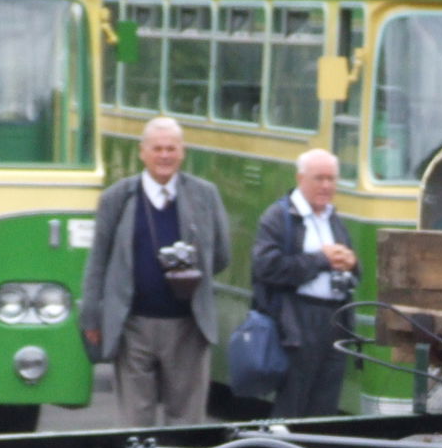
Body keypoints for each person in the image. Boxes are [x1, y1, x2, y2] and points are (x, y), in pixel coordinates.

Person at [80, 116, 231, 426]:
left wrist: (191, 279)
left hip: (188, 325)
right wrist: (91, 316)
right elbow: (98, 261)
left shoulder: (205, 195)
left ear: (182, 152)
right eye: (158, 148)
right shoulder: (117, 198)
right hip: (133, 324)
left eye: (171, 149)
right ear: (142, 152)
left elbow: (222, 254)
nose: (165, 156)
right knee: (136, 419)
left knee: (186, 420)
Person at [250, 148, 360, 418]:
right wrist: (320, 260)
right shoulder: (279, 217)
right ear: (301, 179)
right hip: (296, 321)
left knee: (325, 406)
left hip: (335, 321)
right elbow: (266, 267)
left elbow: (355, 273)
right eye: (319, 178)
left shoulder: (333, 219)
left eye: (332, 179)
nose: (326, 186)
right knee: (293, 403)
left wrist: (352, 264)